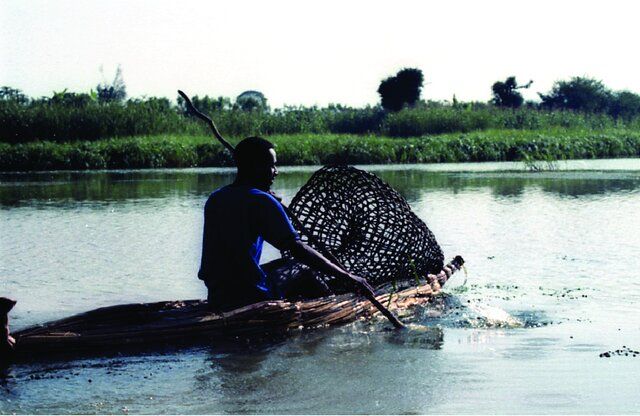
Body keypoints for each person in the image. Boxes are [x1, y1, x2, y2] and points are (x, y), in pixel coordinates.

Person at [198, 136, 373, 312]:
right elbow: (297, 249)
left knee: (284, 264)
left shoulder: (216, 198)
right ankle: (333, 311)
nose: (276, 171)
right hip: (248, 294)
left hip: (217, 293)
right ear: (255, 167)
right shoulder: (261, 201)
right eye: (271, 165)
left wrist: (268, 200)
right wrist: (347, 277)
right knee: (303, 267)